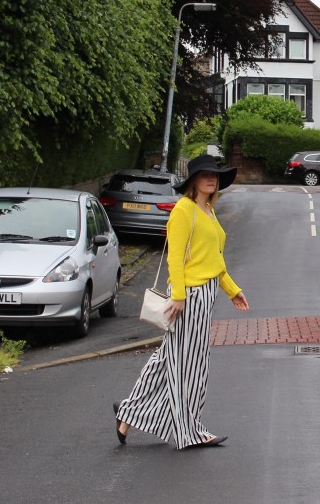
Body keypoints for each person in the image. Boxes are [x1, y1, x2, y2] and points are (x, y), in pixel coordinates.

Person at [114, 155, 250, 449]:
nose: (211, 179)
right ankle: (190, 430)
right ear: (193, 181)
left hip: (206, 294)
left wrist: (231, 290)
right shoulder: (184, 210)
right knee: (190, 365)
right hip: (190, 296)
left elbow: (214, 260)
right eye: (204, 175)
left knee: (169, 360)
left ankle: (128, 413)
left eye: (215, 175)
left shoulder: (208, 210)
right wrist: (178, 295)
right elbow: (175, 256)